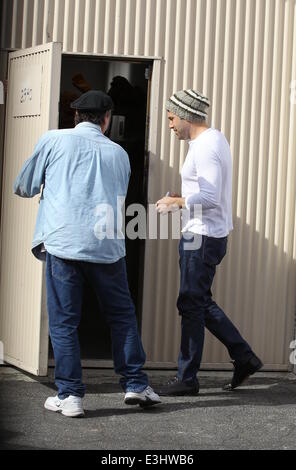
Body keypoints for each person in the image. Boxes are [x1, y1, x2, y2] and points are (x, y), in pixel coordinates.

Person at [13, 90, 161, 417]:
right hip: (107, 247)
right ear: (107, 120)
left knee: (65, 321)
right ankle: (135, 384)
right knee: (121, 316)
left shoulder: (53, 140)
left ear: (76, 116)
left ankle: (70, 396)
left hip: (63, 243)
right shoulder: (120, 154)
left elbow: (22, 185)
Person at [155, 89, 263, 396]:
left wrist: (176, 202)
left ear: (187, 115)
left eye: (172, 118)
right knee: (196, 302)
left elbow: (211, 199)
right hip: (201, 233)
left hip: (201, 236)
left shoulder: (205, 147)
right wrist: (181, 197)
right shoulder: (209, 141)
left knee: (192, 304)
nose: (170, 125)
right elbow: (204, 191)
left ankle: (188, 378)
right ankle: (243, 357)